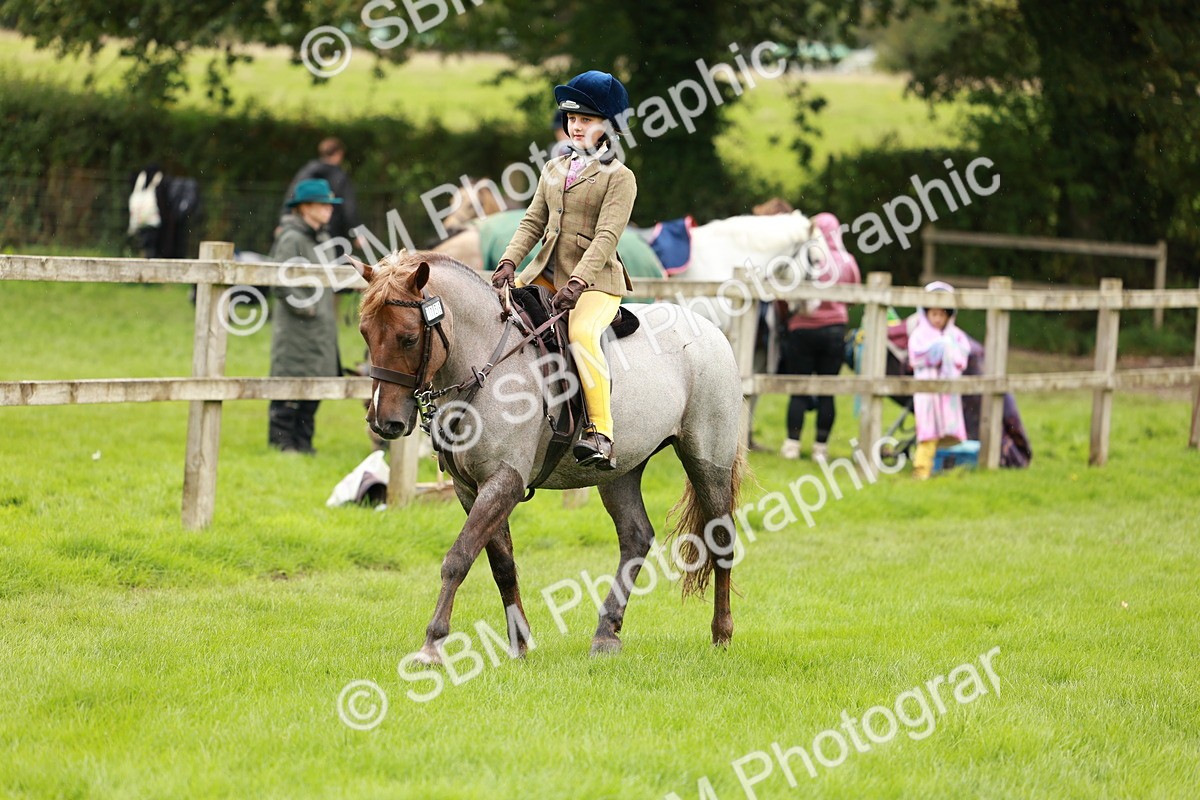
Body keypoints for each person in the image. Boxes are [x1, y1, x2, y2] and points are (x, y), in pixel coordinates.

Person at [491, 70, 636, 470]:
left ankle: (600, 432)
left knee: (582, 334)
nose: (575, 126)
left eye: (586, 120)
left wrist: (577, 282)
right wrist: (508, 262)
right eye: (572, 119)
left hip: (595, 282)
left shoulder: (621, 178)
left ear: (608, 126)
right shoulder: (553, 169)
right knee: (495, 313)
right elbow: (531, 223)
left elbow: (607, 236)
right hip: (545, 272)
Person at [267, 179, 344, 454]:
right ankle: (282, 442)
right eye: (323, 205)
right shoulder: (291, 238)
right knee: (290, 380)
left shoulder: (322, 238)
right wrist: (306, 309)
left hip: (321, 325)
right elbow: (280, 281)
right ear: (304, 207)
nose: (328, 210)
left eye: (330, 205)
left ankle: (304, 441)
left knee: (315, 384)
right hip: (296, 327)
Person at [779, 212, 862, 461]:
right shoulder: (847, 261)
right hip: (834, 332)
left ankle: (792, 445)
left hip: (802, 331)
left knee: (798, 388)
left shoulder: (805, 260)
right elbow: (854, 296)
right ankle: (820, 448)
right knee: (828, 389)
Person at [907, 281, 971, 479]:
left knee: (944, 432)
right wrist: (940, 349)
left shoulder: (955, 336)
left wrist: (947, 350)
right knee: (928, 430)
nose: (937, 319)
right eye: (933, 314)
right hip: (927, 390)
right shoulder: (919, 335)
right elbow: (916, 355)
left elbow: (962, 356)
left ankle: (934, 467)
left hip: (946, 393)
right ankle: (921, 468)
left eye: (942, 314)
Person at [280, 137, 364, 251]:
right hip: (334, 233)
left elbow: (292, 196)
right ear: (339, 154)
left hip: (305, 230)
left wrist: (284, 221)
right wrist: (357, 232)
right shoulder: (340, 176)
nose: (328, 207)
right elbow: (349, 208)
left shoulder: (306, 172)